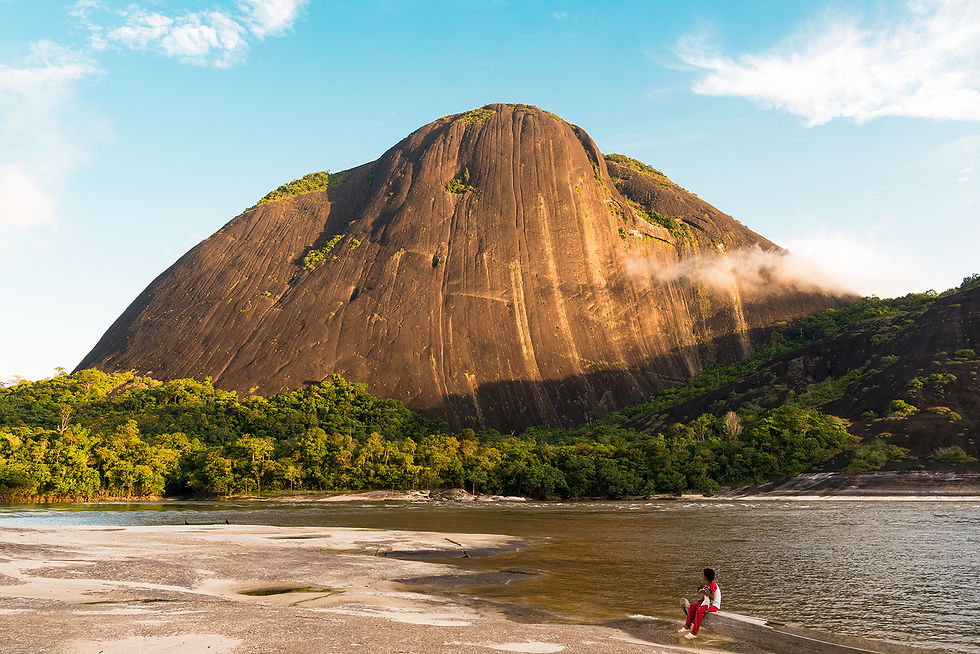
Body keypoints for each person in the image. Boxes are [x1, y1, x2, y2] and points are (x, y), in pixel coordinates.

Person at [677, 567, 721, 639]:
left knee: (699, 611)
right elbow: (706, 597)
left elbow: (712, 597)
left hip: (713, 605)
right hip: (707, 603)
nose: (702, 576)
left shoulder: (713, 585)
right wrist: (700, 600)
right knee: (692, 606)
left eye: (703, 575)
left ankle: (694, 632)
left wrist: (704, 592)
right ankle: (687, 626)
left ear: (705, 577)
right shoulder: (708, 585)